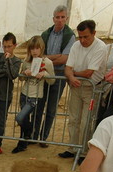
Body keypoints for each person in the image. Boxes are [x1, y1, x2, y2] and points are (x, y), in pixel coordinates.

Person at [59, 20, 107, 160]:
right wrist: (71, 76)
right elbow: (67, 68)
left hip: (92, 88)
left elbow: (88, 73)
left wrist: (73, 74)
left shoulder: (101, 47)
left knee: (86, 121)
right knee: (73, 119)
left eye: (86, 37)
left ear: (94, 33)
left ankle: (84, 151)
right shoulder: (75, 45)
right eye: (80, 37)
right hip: (75, 86)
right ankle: (73, 148)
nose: (82, 40)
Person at [39, 5, 75, 147]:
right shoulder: (46, 34)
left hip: (59, 74)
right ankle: (34, 135)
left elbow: (65, 59)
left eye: (62, 17)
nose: (60, 20)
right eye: (57, 17)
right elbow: (40, 55)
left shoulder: (70, 36)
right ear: (53, 18)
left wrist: (48, 59)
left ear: (66, 18)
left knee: (51, 108)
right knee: (39, 105)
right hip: (44, 73)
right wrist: (56, 57)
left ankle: (43, 137)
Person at [13, 36, 55, 153]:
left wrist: (45, 74)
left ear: (42, 48)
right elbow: (20, 79)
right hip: (24, 94)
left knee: (20, 117)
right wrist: (24, 73)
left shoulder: (47, 62)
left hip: (36, 97)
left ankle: (29, 132)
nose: (34, 51)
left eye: (37, 48)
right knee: (23, 119)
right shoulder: (26, 61)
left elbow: (52, 81)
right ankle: (22, 144)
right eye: (32, 48)